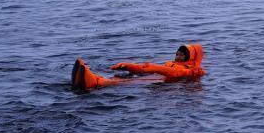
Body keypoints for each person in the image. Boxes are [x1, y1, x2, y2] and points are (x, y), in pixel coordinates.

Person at [71, 44, 206, 90]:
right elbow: (144, 68)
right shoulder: (170, 63)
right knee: (126, 76)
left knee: (125, 82)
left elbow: (176, 74)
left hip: (156, 80)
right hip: (152, 76)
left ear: (190, 57)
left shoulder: (192, 70)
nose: (177, 56)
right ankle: (90, 78)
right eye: (177, 54)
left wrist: (154, 68)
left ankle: (93, 82)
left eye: (182, 55)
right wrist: (128, 66)